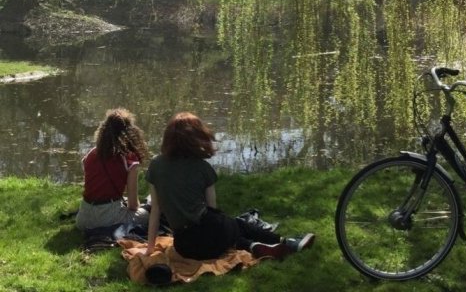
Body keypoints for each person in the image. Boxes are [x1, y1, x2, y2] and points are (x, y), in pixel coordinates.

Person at [144, 111, 315, 260]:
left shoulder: (156, 165)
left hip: (185, 247)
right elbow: (213, 210)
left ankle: (253, 246)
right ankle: (284, 241)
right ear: (197, 137)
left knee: (227, 230)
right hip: (211, 235)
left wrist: (150, 249)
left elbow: (155, 210)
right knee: (236, 224)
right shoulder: (203, 168)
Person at [76, 108, 149, 231]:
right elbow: (132, 205)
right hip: (107, 217)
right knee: (145, 216)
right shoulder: (129, 159)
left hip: (83, 218)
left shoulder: (89, 155)